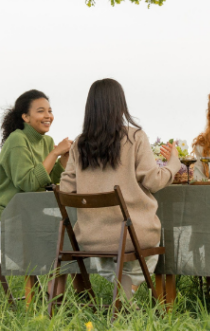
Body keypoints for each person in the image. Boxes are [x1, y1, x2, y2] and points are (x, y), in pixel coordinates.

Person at [59, 78, 180, 299]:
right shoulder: (135, 137)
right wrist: (174, 164)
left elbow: (66, 190)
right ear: (120, 104)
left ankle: (122, 291)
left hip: (91, 236)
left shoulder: (80, 143)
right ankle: (128, 290)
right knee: (149, 247)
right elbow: (153, 182)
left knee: (111, 250)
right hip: (133, 235)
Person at [0, 90, 72, 245]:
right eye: (41, 111)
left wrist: (64, 159)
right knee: (50, 240)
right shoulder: (17, 139)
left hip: (27, 214)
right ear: (25, 117)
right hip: (1, 216)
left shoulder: (47, 141)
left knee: (69, 232)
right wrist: (55, 153)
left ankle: (58, 269)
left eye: (50, 111)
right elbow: (28, 184)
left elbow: (50, 181)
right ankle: (39, 269)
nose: (48, 116)